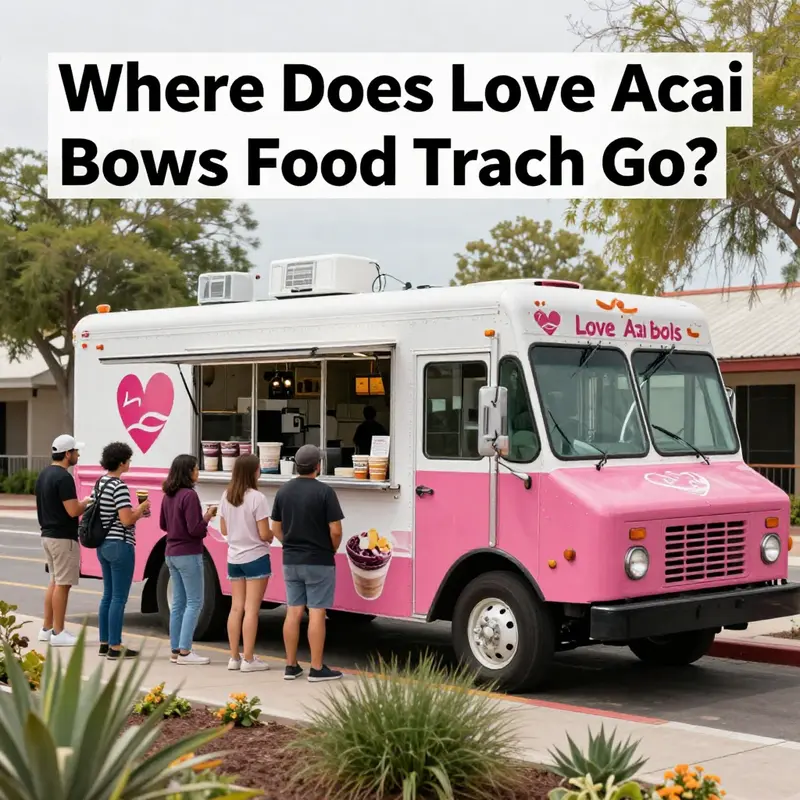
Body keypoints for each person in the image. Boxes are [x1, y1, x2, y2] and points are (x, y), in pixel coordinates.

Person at [270, 444, 343, 682]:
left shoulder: (283, 491)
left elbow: (275, 528)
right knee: (317, 613)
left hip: (291, 560)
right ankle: (316, 667)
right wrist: (331, 548)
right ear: (318, 466)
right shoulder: (325, 492)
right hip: (319, 560)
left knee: (293, 611)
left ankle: (291, 666)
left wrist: (288, 544)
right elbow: (335, 529)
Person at [93, 441, 150, 659]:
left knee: (108, 595)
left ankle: (104, 642)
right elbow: (126, 520)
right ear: (121, 462)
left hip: (103, 544)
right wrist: (141, 509)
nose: (130, 463)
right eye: (128, 459)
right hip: (120, 544)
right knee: (119, 597)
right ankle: (115, 647)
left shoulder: (100, 483)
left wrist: (135, 511)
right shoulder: (119, 486)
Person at [35, 434, 91, 647]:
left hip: (47, 535)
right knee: (63, 585)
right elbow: (73, 510)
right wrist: (87, 502)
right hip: (63, 538)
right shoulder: (64, 478)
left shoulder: (44, 474)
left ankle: (47, 629)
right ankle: (59, 632)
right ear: (67, 454)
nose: (78, 455)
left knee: (54, 581)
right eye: (76, 451)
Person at [219, 453, 272, 673]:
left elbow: (224, 529)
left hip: (234, 558)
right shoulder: (257, 498)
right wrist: (271, 536)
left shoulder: (226, 495)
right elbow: (264, 533)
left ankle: (234, 657)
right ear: (253, 472)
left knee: (236, 608)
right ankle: (248, 659)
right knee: (251, 610)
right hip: (256, 557)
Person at [160, 453, 215, 666]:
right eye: (196, 468)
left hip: (171, 553)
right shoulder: (189, 496)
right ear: (188, 472)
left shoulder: (168, 495)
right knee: (194, 602)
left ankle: (176, 649)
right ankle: (185, 651)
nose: (198, 472)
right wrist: (207, 517)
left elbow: (163, 525)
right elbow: (195, 530)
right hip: (188, 553)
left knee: (179, 603)